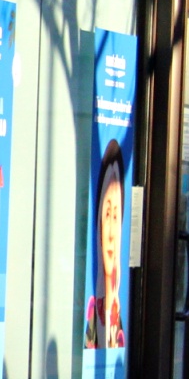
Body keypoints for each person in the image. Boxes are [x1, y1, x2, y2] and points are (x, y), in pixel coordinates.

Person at [84, 141, 126, 350]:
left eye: (116, 216)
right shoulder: (89, 313)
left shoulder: (121, 327)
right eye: (107, 214)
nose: (110, 233)